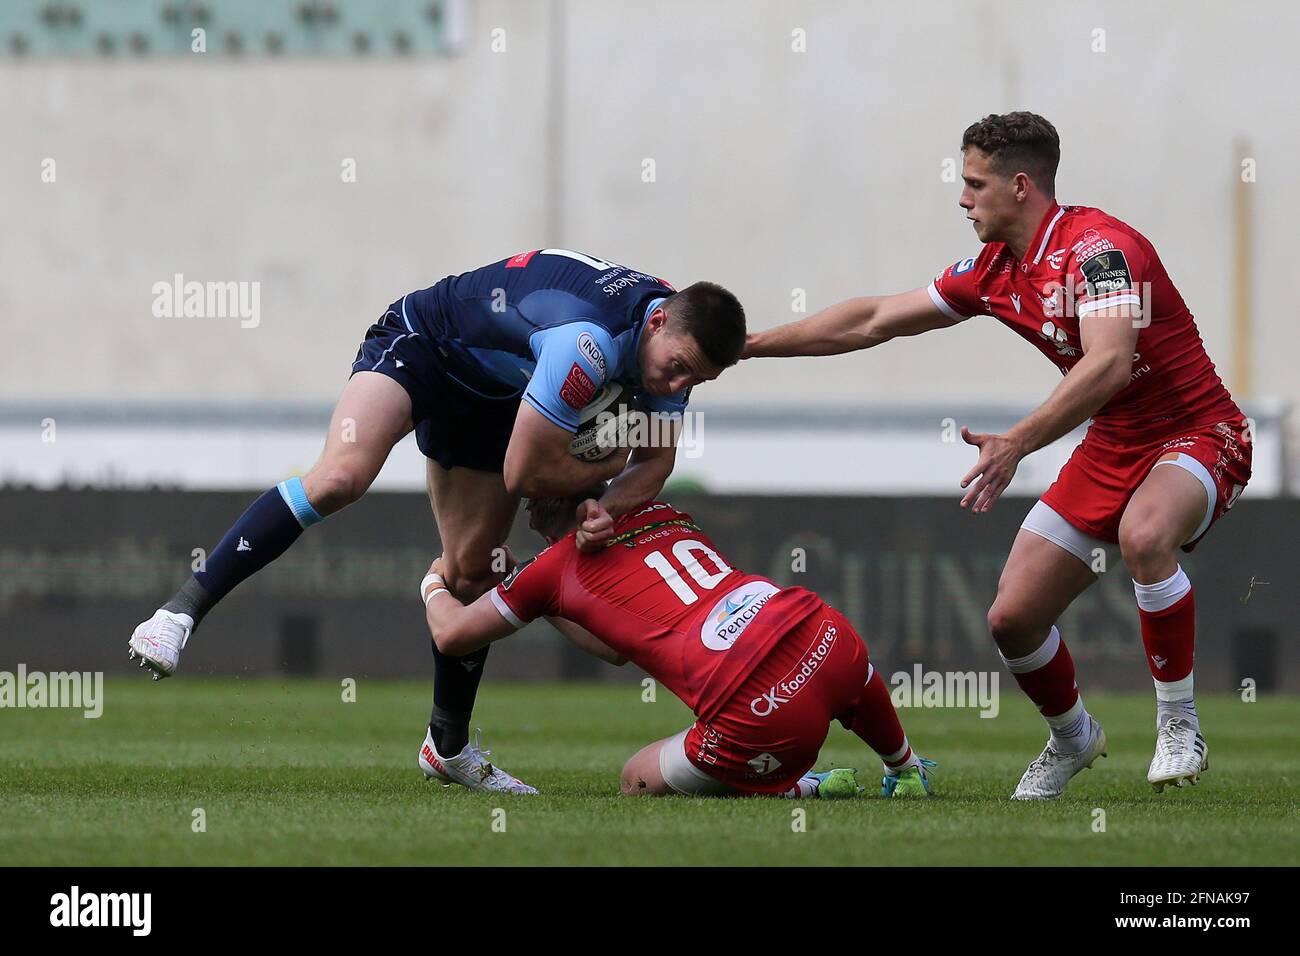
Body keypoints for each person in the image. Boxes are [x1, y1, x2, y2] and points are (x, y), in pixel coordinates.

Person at [744, 112, 1249, 799]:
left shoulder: (1100, 250)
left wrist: (1018, 442)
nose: (961, 198)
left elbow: (1108, 362)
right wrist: (749, 346)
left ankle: (1179, 723)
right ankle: (1073, 737)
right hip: (1113, 445)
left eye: (973, 183)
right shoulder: (993, 272)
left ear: (1019, 185)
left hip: (1197, 431)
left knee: (1144, 534)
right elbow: (871, 320)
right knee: (1012, 617)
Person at [128, 248, 746, 794]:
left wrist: (602, 512)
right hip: (427, 343)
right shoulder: (584, 344)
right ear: (658, 320)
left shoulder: (670, 343)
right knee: (341, 477)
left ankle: (446, 749)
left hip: (499, 397)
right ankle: (179, 611)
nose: (680, 382)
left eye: (698, 378)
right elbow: (524, 476)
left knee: (473, 574)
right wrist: (596, 475)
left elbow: (658, 459)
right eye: (681, 366)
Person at [420, 488, 935, 799]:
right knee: (849, 671)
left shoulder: (551, 568)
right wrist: (537, 593)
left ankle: (804, 785)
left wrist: (434, 583)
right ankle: (905, 768)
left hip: (761, 712)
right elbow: (616, 646)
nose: (523, 505)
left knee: (635, 780)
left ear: (542, 500)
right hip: (825, 632)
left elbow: (452, 633)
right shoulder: (655, 506)